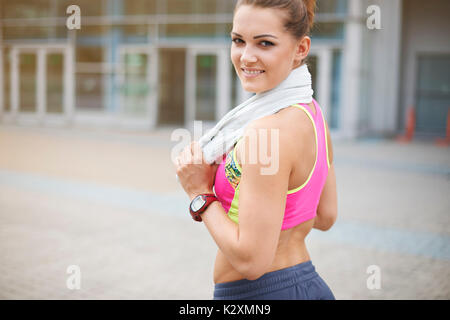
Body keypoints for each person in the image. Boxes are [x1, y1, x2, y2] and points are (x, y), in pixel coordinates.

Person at [175, 0, 337, 300]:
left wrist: (199, 193)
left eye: (264, 43)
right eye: (238, 40)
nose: (246, 57)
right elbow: (325, 215)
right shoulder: (314, 116)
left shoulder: (265, 132)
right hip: (307, 285)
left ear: (301, 49)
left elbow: (251, 262)